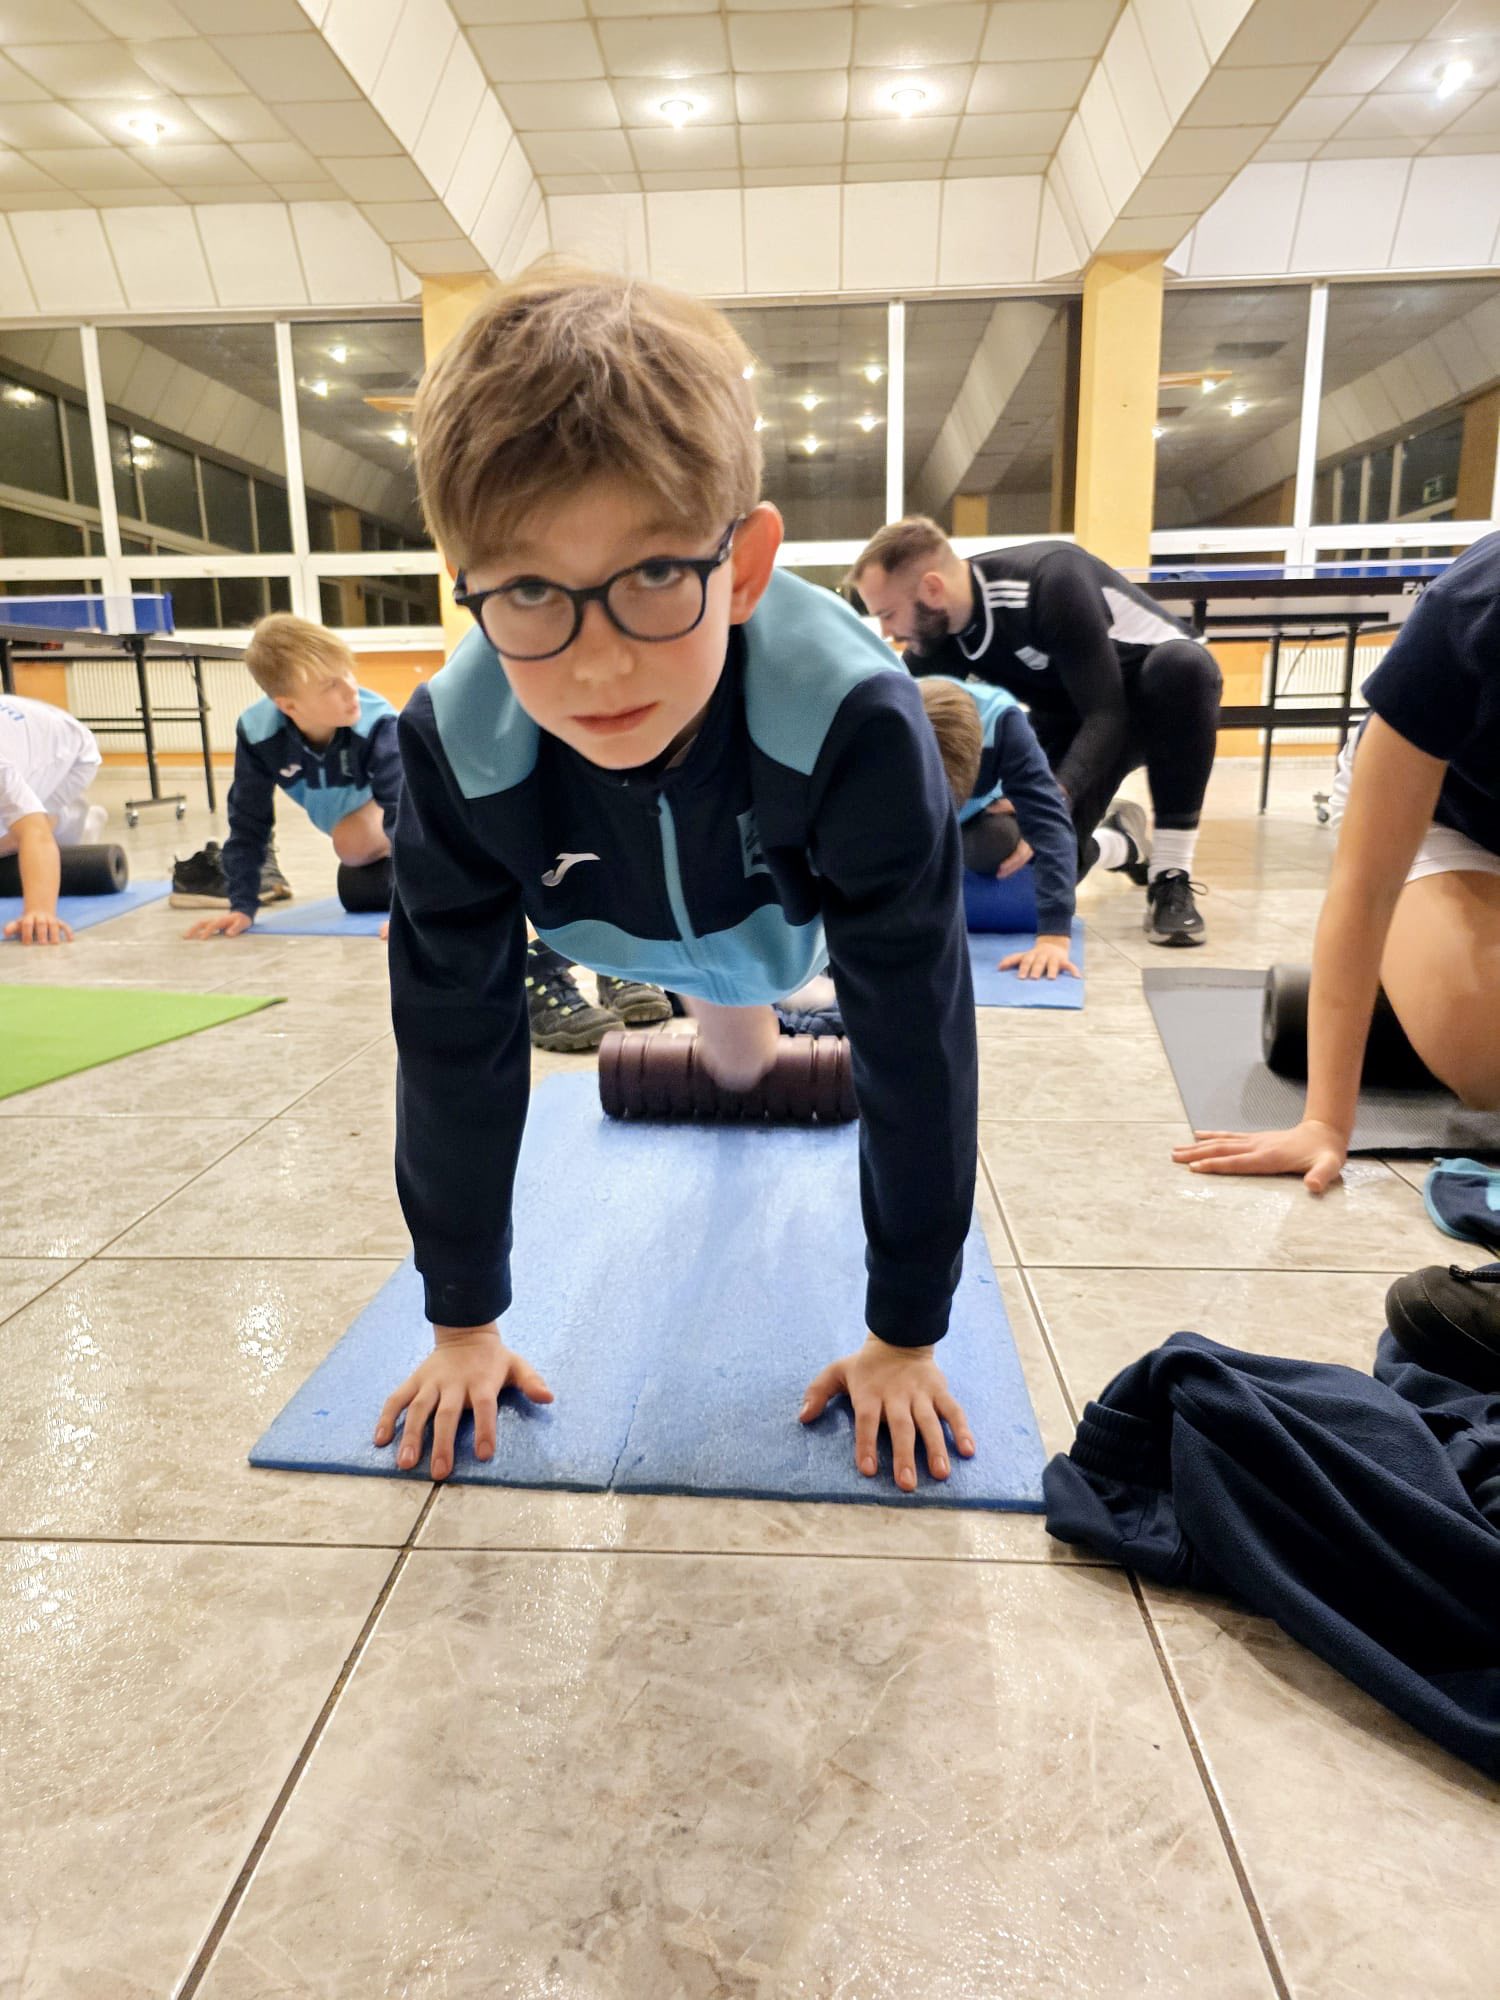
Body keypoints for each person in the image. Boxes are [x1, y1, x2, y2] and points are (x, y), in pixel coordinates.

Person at [375, 258, 980, 1496]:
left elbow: (918, 1030)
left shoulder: (857, 718)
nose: (597, 663)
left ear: (743, 567)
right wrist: (462, 1319)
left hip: (781, 923)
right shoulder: (453, 740)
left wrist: (906, 1331)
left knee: (752, 1038)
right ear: (470, 584)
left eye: (654, 573)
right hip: (610, 922)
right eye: (529, 589)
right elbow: (450, 1035)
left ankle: (755, 1030)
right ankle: (739, 1037)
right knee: (735, 1058)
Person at [1174, 533, 1500, 1193]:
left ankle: (1411, 991)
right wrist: (1324, 1121)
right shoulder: (1472, 609)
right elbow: (1367, 888)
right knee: (1490, 1063)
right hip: (1451, 816)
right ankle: (1415, 988)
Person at [848, 517, 1223, 947]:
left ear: (932, 589)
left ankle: (1171, 874)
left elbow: (1107, 714)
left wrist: (1053, 800)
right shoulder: (940, 633)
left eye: (888, 614)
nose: (888, 632)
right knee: (1027, 874)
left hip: (1151, 705)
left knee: (1183, 667)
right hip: (1069, 722)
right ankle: (1120, 843)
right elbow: (893, 722)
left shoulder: (1050, 581)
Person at [179, 614, 398, 939]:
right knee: (356, 891)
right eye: (330, 685)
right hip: (368, 837)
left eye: (347, 672)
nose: (351, 689)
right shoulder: (259, 733)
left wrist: (412, 910)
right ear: (289, 706)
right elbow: (248, 819)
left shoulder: (378, 724)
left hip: (427, 817)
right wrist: (242, 906)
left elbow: (406, 814)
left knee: (351, 842)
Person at [916, 675, 1079, 980]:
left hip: (981, 818)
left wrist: (1054, 938)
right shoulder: (880, 722)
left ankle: (1110, 844)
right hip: (906, 819)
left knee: (997, 844)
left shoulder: (1002, 722)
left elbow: (1049, 821)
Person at [0, 693, 107, 945]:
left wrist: (39, 911)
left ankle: (77, 819)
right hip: (22, 727)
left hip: (71, 753)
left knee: (24, 827)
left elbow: (34, 833)